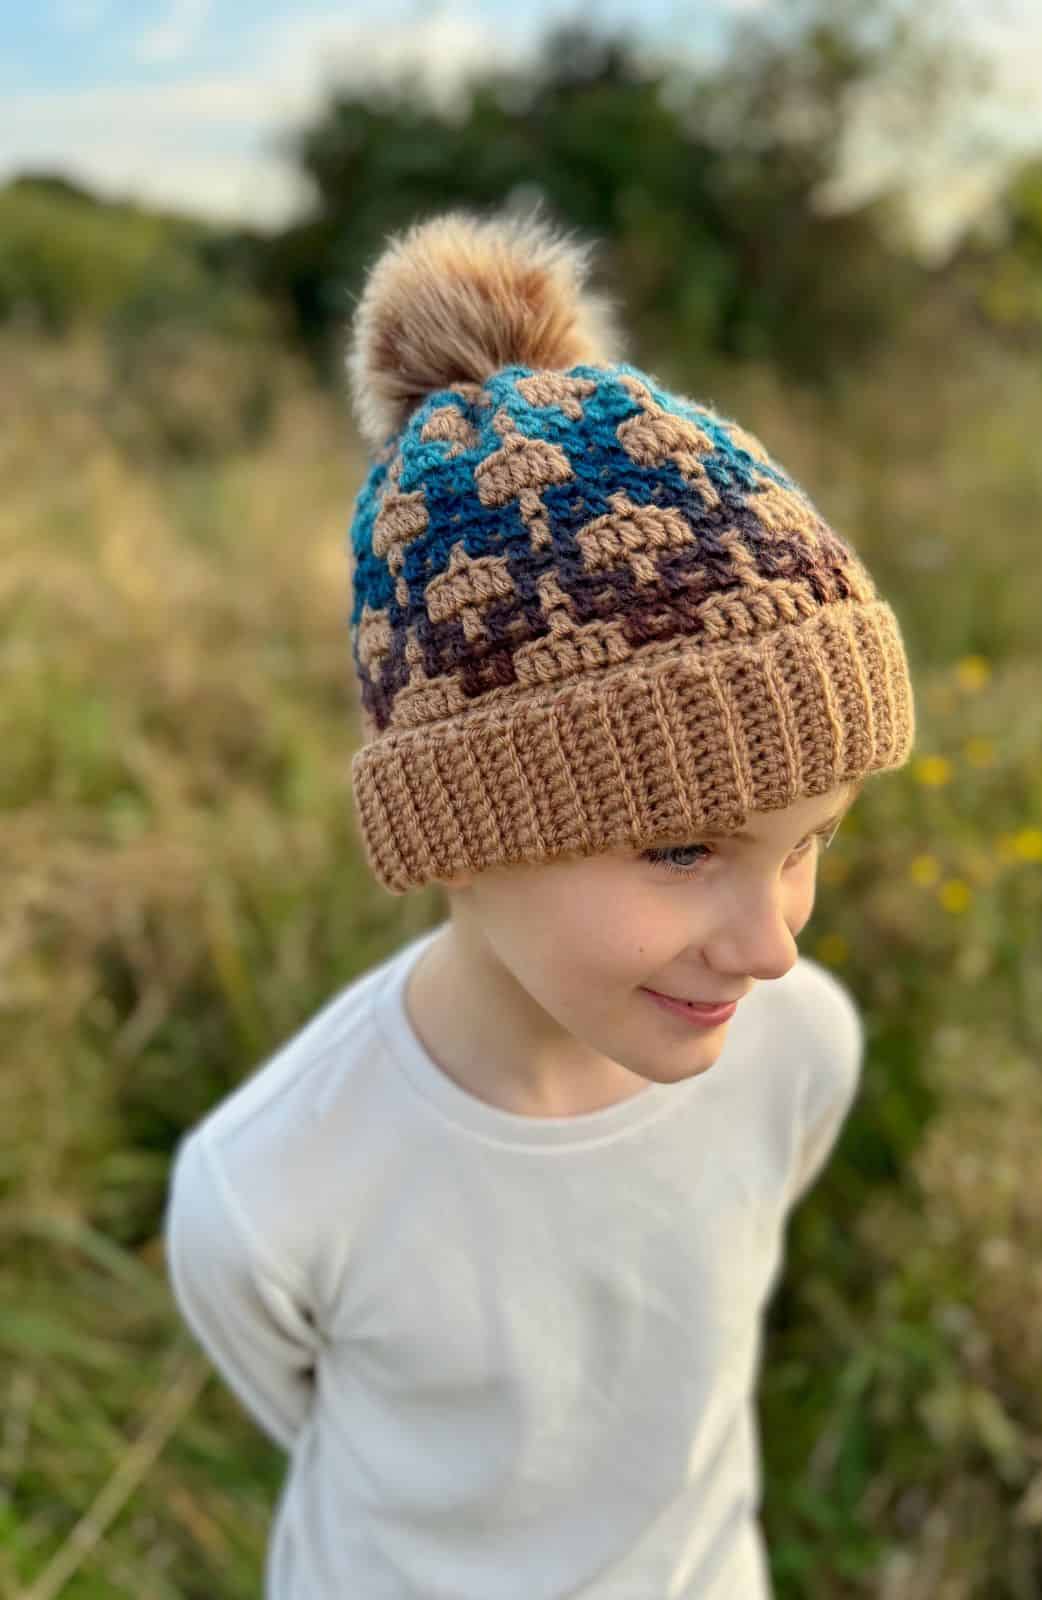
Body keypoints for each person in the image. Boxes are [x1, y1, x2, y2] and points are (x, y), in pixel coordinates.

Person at [163, 205, 916, 1600]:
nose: (773, 946)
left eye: (810, 841)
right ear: (464, 828)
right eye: (686, 849)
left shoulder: (800, 1052)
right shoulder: (273, 1190)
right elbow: (309, 1415)